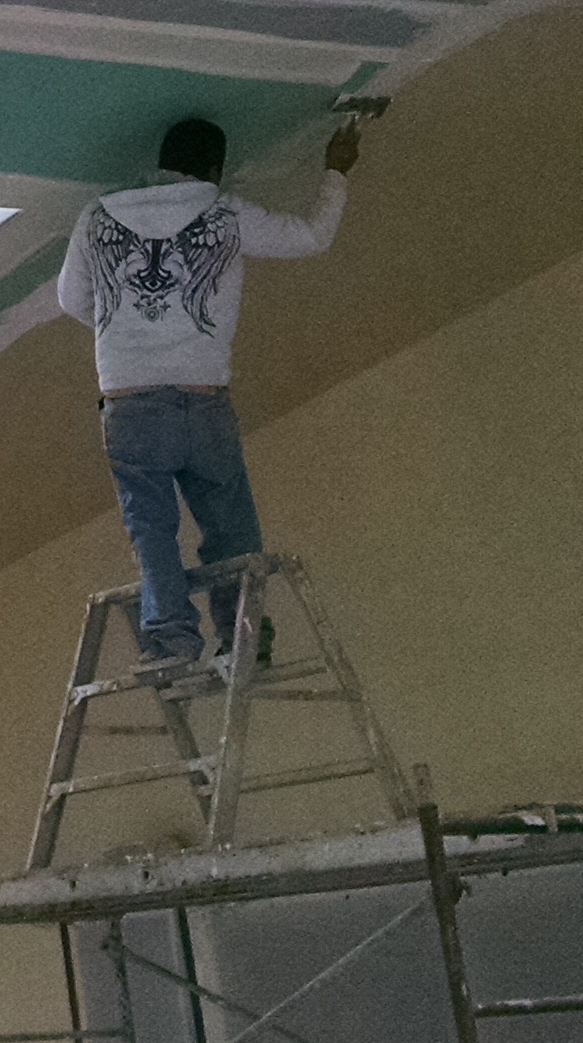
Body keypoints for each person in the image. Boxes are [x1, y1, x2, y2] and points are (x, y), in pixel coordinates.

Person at [51, 110, 355, 666]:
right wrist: (336, 170)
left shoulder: (97, 217)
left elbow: (71, 300)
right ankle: (242, 638)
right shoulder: (225, 214)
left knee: (151, 528)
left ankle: (172, 641)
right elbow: (312, 237)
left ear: (162, 163)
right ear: (215, 168)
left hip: (130, 405)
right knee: (229, 526)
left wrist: (131, 330)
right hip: (203, 398)